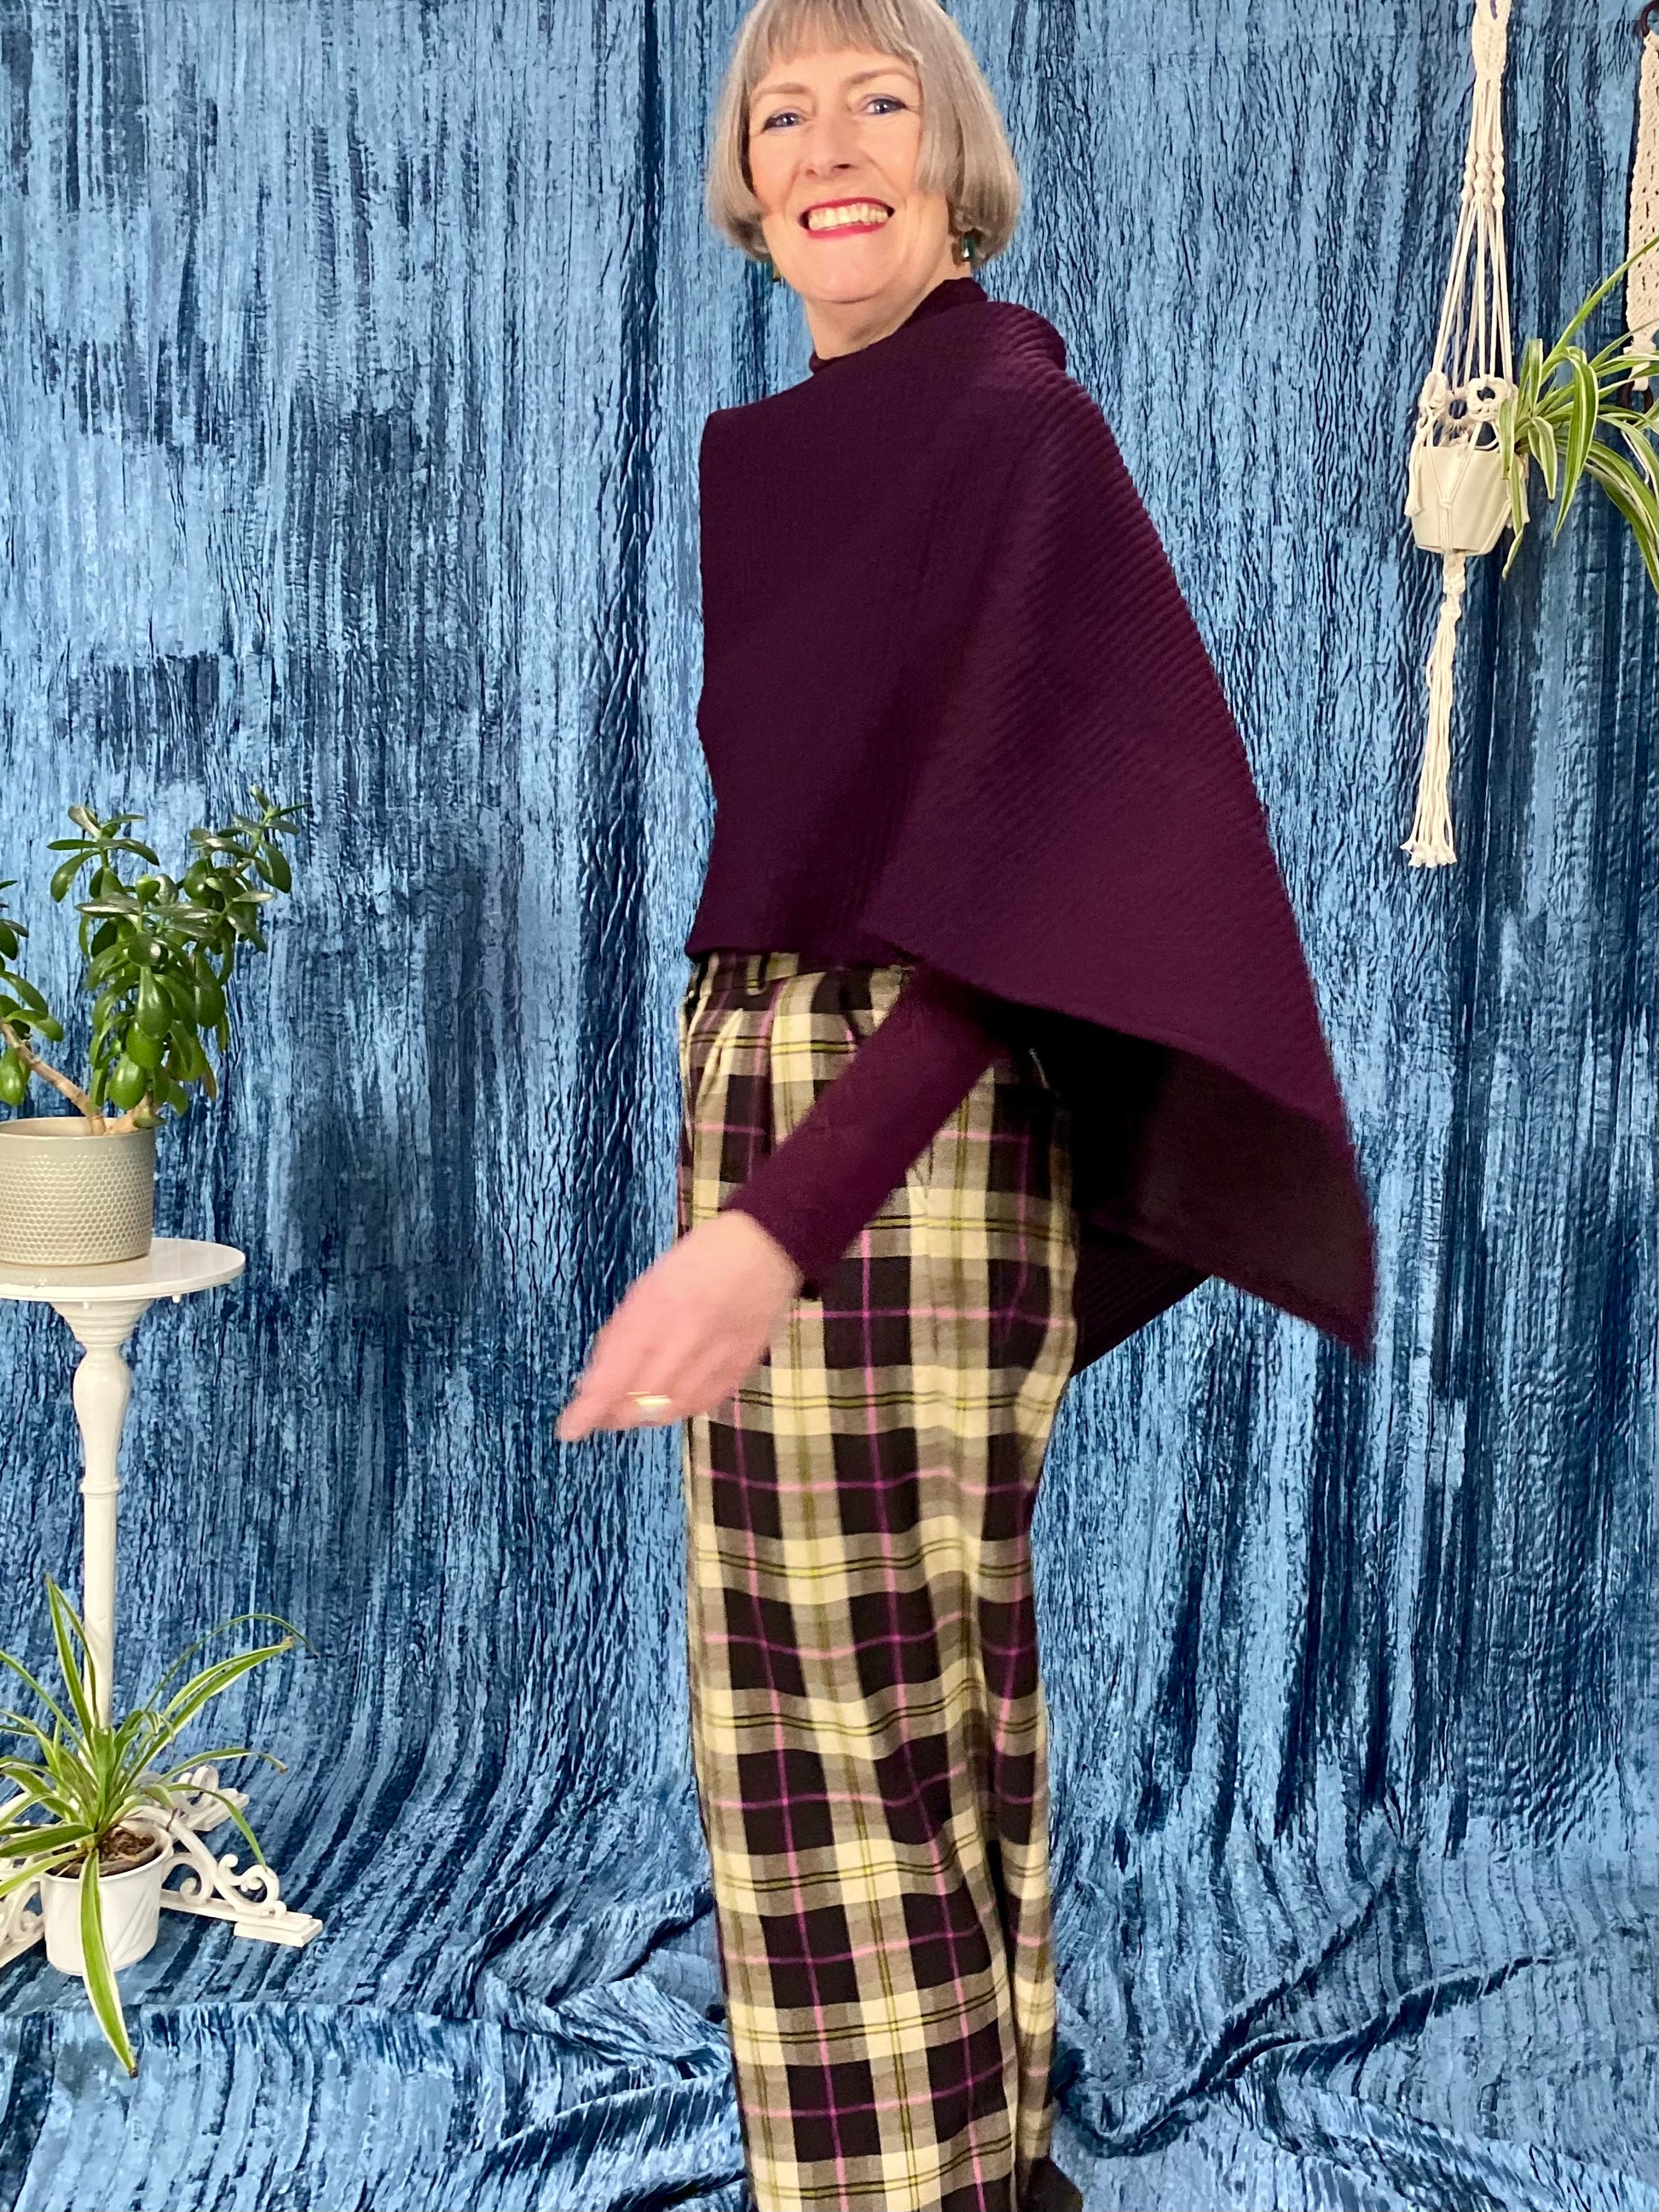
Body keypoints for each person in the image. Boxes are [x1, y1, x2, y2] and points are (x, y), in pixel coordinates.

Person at [557, 3, 1377, 2207]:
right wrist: (742, 1152)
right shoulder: (762, 460)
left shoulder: (1016, 428)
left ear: (954, 162)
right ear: (745, 185)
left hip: (900, 1123)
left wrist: (778, 1220)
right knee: (905, 1695)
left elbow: (1012, 901)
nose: (831, 145)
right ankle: (987, 2167)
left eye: (880, 101)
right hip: (755, 1073)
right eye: (784, 113)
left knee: (838, 1727)